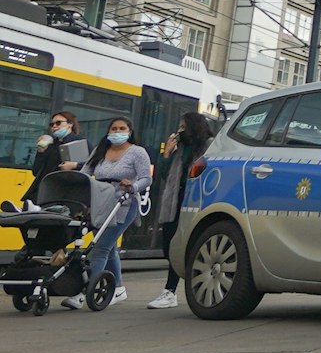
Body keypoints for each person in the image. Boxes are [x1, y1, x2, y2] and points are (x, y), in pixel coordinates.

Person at [61, 117, 153, 311]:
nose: (117, 132)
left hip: (124, 204)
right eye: (114, 128)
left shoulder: (137, 152)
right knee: (108, 248)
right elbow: (86, 173)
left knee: (100, 248)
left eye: (122, 128)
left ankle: (83, 291)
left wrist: (133, 186)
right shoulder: (100, 150)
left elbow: (146, 178)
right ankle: (118, 288)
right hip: (100, 204)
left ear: (129, 132)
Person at [147, 111, 213, 309]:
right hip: (176, 200)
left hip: (196, 201)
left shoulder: (209, 146)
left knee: (187, 245)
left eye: (183, 127)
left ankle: (170, 291)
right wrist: (167, 153)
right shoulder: (181, 148)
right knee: (169, 244)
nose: (179, 131)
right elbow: (165, 174)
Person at [10, 112, 86, 211]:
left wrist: (75, 165)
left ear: (70, 124)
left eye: (58, 123)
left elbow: (91, 165)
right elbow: (36, 171)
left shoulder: (80, 142)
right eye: (52, 124)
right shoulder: (51, 143)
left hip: (62, 191)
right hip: (43, 189)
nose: (54, 126)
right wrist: (41, 152)